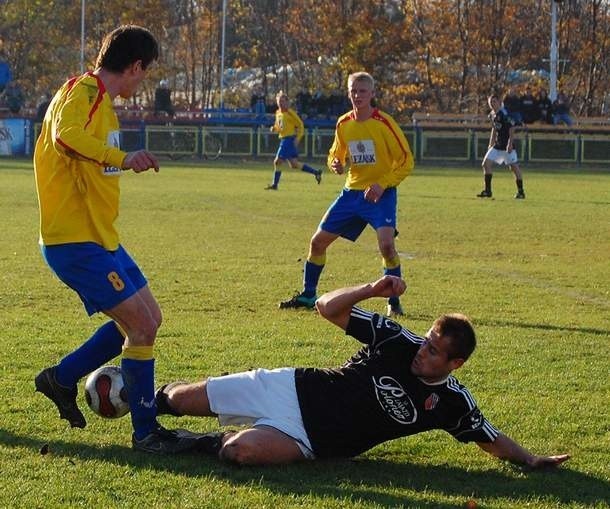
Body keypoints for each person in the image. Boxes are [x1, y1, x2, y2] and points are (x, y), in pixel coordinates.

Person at [154, 275, 571, 468]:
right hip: (291, 389)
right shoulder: (397, 340)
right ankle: (136, 398)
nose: (421, 352)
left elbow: (490, 438)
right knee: (176, 400)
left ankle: (206, 440)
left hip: (311, 442)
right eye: (425, 341)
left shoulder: (451, 403)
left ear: (454, 364)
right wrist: (372, 290)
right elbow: (326, 308)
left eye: (433, 352)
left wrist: (532, 459)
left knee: (238, 453)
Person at [33, 25, 201, 455]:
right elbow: (64, 136)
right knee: (140, 327)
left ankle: (62, 377)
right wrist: (123, 158)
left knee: (149, 319)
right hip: (74, 241)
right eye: (143, 74)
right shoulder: (84, 92)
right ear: (134, 66)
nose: (141, 82)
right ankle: (146, 432)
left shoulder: (100, 102)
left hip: (101, 238)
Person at [279, 72, 414, 316]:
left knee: (387, 246)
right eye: (353, 90)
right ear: (348, 92)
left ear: (372, 94)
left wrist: (382, 184)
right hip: (351, 194)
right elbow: (335, 154)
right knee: (317, 242)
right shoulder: (344, 123)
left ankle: (393, 301)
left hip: (379, 196)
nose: (357, 95)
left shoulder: (384, 123)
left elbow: (406, 161)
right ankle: (309, 295)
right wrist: (335, 164)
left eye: (363, 91)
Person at [265, 91, 322, 190]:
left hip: (288, 140)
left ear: (287, 102)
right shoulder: (278, 113)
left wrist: (297, 138)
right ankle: (316, 173)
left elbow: (300, 125)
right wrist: (274, 128)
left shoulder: (290, 113)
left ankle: (275, 185)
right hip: (284, 139)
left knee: (277, 162)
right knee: (294, 164)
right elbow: (279, 126)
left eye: (283, 101)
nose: (281, 103)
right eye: (279, 101)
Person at [477, 94, 525, 199]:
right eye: (491, 102)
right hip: (498, 145)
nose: (492, 104)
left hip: (507, 145)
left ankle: (521, 192)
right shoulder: (492, 115)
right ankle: (488, 191)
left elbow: (511, 128)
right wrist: (491, 143)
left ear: (499, 102)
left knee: (514, 168)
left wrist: (510, 143)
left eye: (494, 101)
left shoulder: (504, 114)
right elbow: (494, 129)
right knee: (486, 163)